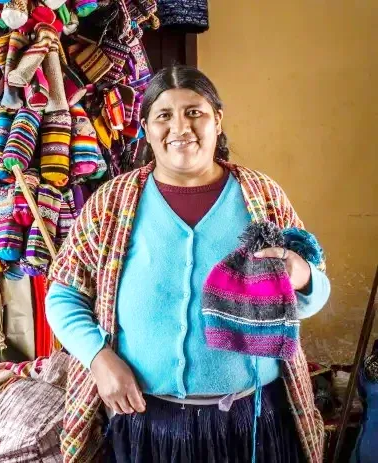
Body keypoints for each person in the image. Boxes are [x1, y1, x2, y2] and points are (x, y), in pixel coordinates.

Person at [45, 65, 331, 463]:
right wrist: (97, 357)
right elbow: (62, 294)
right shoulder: (112, 203)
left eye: (194, 112)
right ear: (146, 128)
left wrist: (301, 275)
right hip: (146, 421)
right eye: (164, 115)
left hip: (252, 425)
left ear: (217, 120)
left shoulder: (261, 196)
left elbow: (312, 296)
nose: (181, 126)